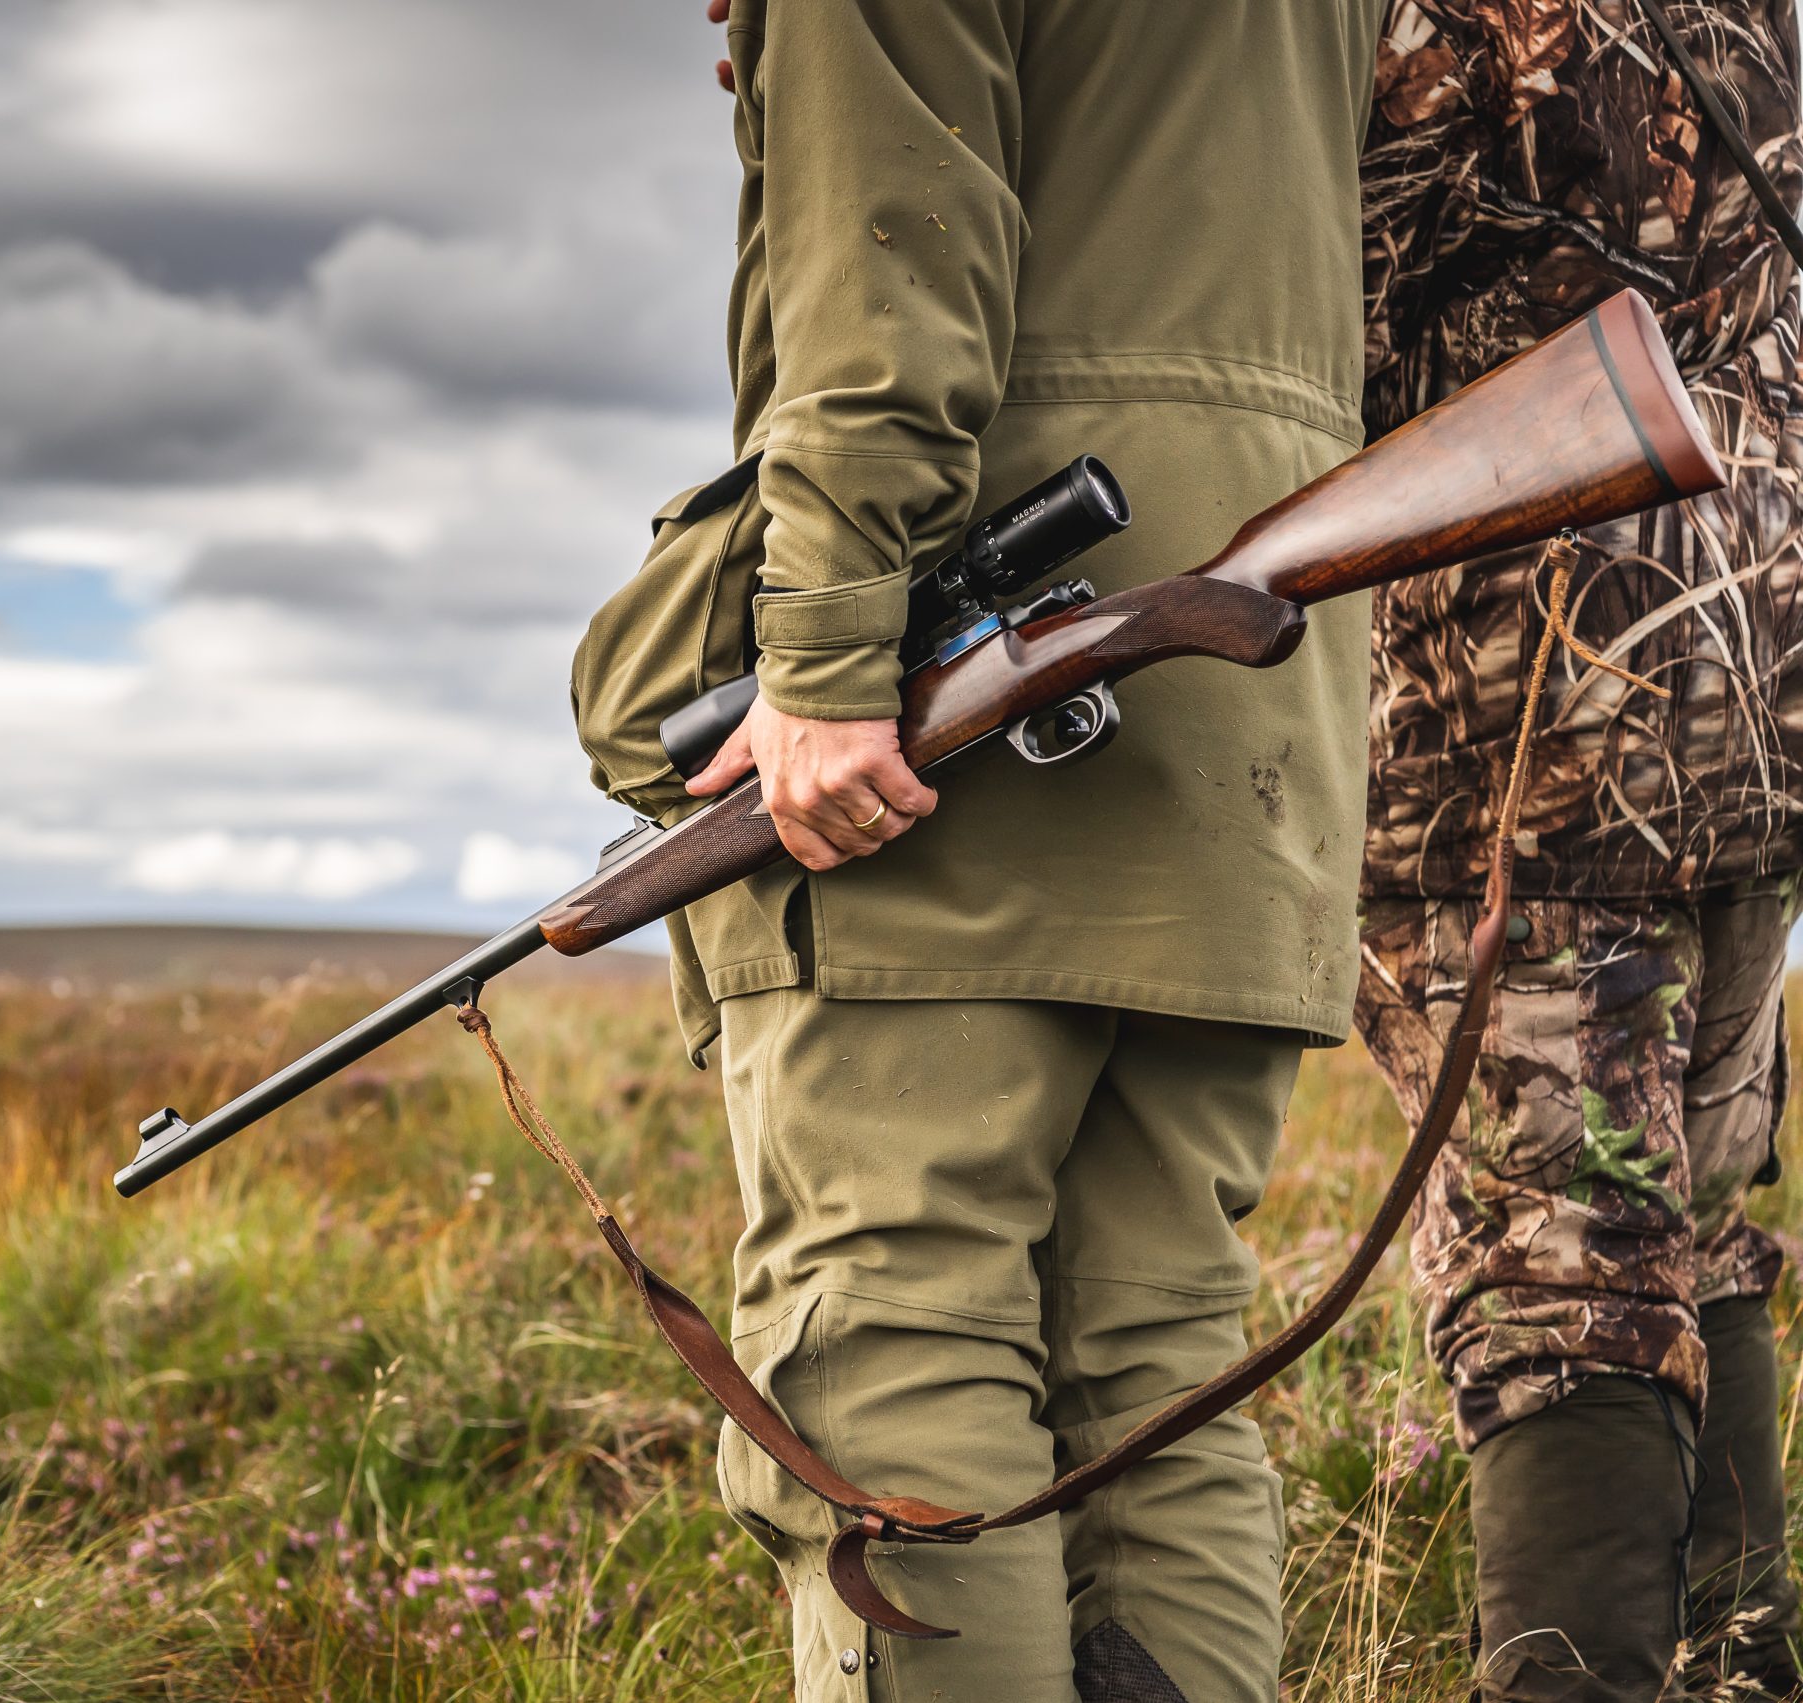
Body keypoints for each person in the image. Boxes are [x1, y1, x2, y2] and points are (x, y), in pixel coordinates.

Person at [570, 3, 1384, 1697]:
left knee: (889, 1337)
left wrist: (822, 659)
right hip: (1252, 661)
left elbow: (894, 286)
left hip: (969, 667)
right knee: (1156, 1354)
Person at [1351, 3, 1803, 1698]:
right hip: (1748, 693)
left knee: (1567, 1282)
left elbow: (1253, 300)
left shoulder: (1435, 25)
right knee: (1685, 1218)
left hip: (1521, 716)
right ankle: (1744, 1675)